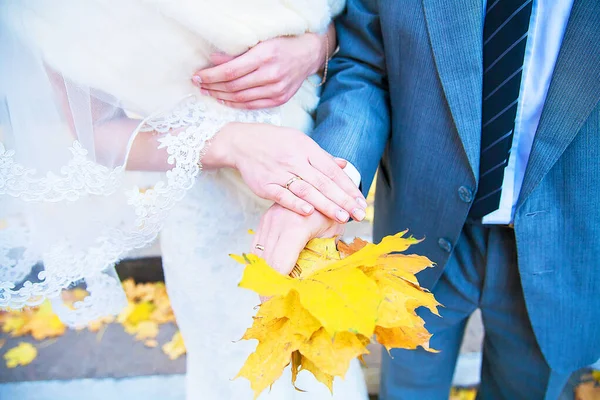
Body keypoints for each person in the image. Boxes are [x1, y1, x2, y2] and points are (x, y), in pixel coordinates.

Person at [0, 1, 368, 399]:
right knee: (244, 374)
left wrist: (317, 48)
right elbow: (96, 133)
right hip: (215, 218)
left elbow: (367, 23)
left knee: (330, 371)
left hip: (325, 199)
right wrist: (230, 142)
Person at [247, 0, 600, 398]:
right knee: (409, 388)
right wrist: (326, 187)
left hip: (569, 246)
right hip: (419, 230)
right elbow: (366, 65)